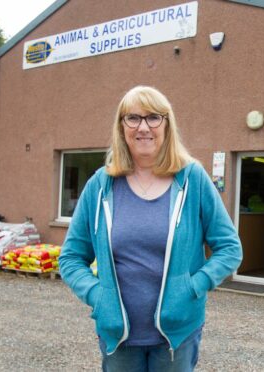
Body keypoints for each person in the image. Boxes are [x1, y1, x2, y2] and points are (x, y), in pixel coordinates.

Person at [59, 86, 243, 371]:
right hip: (118, 336)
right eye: (133, 118)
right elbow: (71, 258)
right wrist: (98, 296)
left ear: (167, 125)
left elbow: (230, 248)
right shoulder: (100, 185)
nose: (143, 127)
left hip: (177, 334)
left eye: (153, 118)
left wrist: (193, 286)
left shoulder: (192, 179)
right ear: (122, 127)